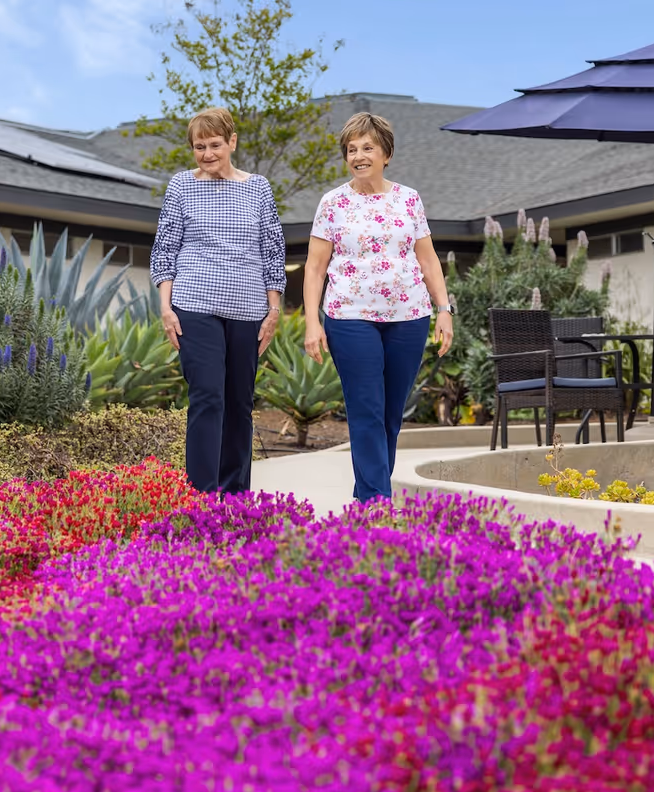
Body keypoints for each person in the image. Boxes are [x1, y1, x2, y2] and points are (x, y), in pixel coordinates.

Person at [303, 112, 454, 503]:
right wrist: (311, 323)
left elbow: (429, 260)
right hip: (350, 316)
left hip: (409, 317)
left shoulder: (408, 198)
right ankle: (376, 504)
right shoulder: (332, 203)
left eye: (367, 147)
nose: (358, 155)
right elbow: (315, 267)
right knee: (366, 408)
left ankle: (366, 497)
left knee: (390, 415)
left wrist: (444, 309)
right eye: (351, 149)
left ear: (386, 153)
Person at [150, 107, 287, 494]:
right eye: (199, 146)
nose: (207, 153)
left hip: (248, 310)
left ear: (232, 142)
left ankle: (235, 496)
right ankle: (202, 496)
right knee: (208, 397)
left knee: (239, 404)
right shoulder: (181, 186)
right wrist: (166, 307)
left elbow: (273, 251)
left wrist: (273, 309)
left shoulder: (258, 187)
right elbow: (165, 249)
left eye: (214, 145)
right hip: (194, 306)